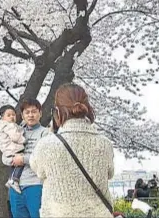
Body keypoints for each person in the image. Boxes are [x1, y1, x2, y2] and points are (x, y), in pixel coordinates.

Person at [30, 83, 114, 218]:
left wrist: (53, 132)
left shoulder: (46, 145)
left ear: (57, 111)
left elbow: (38, 169)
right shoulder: (105, 144)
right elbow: (110, 174)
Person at [9, 99, 49, 218]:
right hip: (15, 186)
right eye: (27, 112)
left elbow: (45, 157)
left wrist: (23, 159)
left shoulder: (46, 133)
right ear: (22, 115)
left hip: (36, 184)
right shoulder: (17, 132)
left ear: (40, 113)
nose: (30, 115)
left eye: (34, 112)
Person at [0, 104, 26, 194]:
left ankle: (10, 178)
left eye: (13, 115)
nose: (12, 117)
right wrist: (23, 140)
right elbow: (15, 136)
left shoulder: (2, 126)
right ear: (3, 117)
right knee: (21, 161)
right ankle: (14, 179)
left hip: (7, 150)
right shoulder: (9, 126)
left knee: (14, 166)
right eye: (8, 115)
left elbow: (18, 129)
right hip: (13, 149)